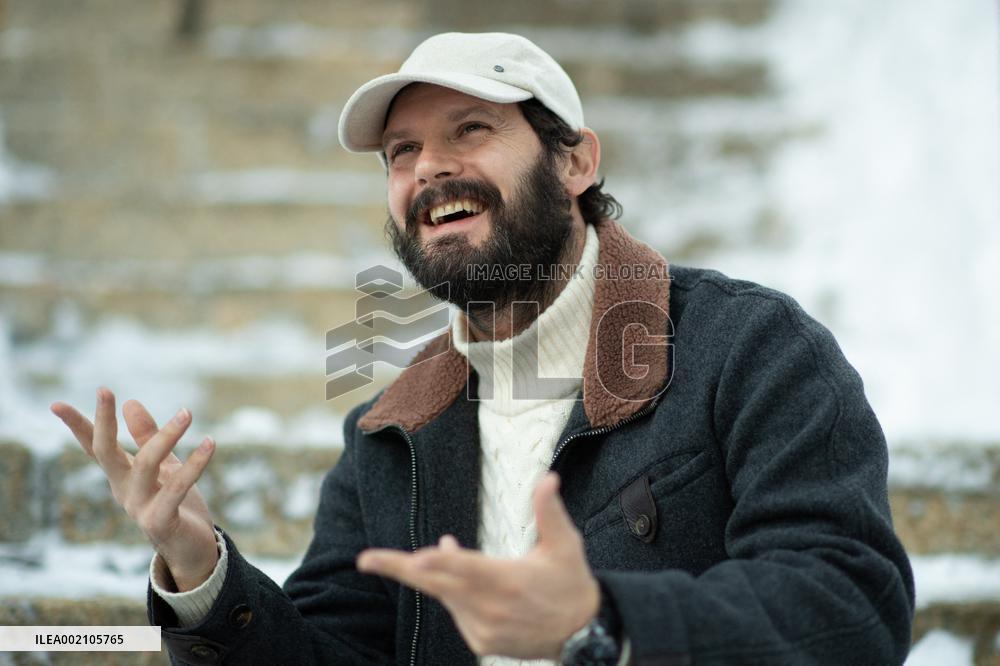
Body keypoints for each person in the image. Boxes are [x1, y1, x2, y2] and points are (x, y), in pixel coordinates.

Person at [51, 32, 914, 665]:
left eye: (470, 130)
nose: (428, 168)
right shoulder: (387, 435)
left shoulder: (751, 349)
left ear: (576, 163)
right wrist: (203, 571)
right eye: (402, 152)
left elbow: (848, 606)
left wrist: (599, 619)